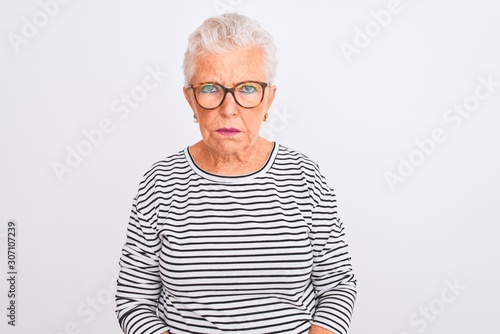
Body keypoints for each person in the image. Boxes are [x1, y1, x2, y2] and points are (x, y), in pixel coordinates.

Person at [115, 13, 357, 334]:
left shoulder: (305, 177)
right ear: (190, 98)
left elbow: (338, 287)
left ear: (268, 97)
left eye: (247, 88)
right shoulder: (159, 183)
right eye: (211, 88)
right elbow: (134, 301)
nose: (229, 109)